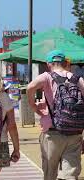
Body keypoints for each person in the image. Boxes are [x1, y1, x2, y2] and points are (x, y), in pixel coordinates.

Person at [27, 50, 84, 180]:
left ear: (49, 63)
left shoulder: (46, 76)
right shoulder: (77, 79)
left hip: (52, 132)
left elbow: (30, 87)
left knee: (50, 173)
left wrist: (34, 107)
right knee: (70, 174)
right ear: (64, 63)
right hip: (74, 133)